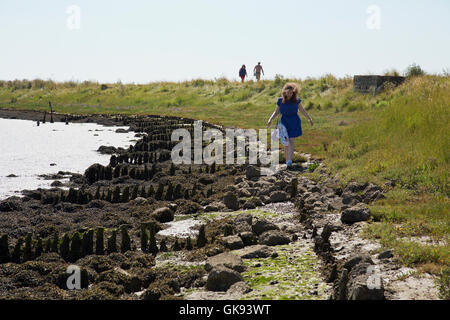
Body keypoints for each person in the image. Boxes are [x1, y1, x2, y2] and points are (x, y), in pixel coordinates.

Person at [266, 83, 314, 167]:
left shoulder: (297, 100)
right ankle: (287, 159)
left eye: (291, 93)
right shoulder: (280, 100)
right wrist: (270, 119)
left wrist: (309, 118)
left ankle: (289, 161)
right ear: (284, 92)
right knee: (286, 142)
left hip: (294, 121)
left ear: (293, 93)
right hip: (284, 122)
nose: (289, 94)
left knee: (291, 141)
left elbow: (302, 110)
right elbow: (276, 111)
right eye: (288, 92)